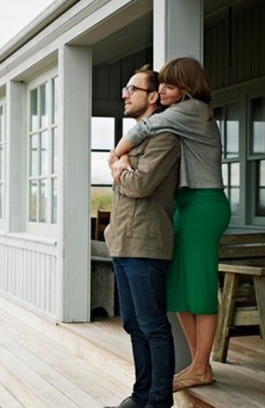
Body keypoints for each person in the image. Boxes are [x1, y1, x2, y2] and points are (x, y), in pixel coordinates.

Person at [110, 57, 231, 393]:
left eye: (170, 85)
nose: (162, 90)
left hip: (204, 205)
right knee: (179, 291)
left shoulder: (194, 108)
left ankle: (202, 367)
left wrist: (117, 155)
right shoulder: (177, 117)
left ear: (187, 89)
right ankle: (197, 364)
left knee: (202, 288)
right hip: (185, 205)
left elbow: (145, 129)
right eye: (160, 84)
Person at [104, 65, 180, 408]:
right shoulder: (133, 139)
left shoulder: (164, 137)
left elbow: (141, 185)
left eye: (131, 89)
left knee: (153, 326)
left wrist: (120, 167)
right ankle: (141, 395)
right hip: (122, 243)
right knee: (133, 325)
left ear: (152, 97)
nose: (124, 94)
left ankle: (159, 402)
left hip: (147, 244)